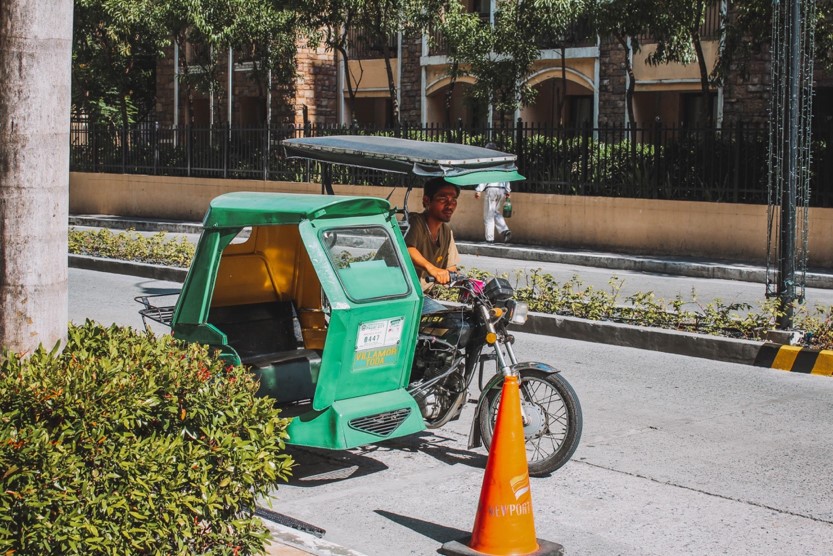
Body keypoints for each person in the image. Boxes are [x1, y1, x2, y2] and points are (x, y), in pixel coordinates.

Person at [403, 177, 460, 309]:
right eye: (443, 199)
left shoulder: (446, 232)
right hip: (400, 294)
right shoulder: (414, 222)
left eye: (453, 200)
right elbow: (406, 248)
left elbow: (451, 268)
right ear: (427, 201)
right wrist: (432, 269)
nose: (450, 205)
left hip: (420, 296)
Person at [474, 142, 512, 243]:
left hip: (491, 189)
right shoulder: (502, 161)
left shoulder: (489, 160)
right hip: (502, 189)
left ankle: (489, 239)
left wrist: (479, 190)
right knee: (495, 212)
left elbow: (485, 176)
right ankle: (504, 230)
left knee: (488, 215)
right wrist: (508, 190)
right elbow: (507, 176)